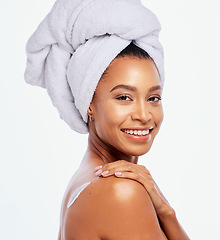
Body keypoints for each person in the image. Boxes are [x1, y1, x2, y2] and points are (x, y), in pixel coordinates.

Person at [24, 0, 190, 239]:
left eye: (153, 97)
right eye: (124, 97)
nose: (144, 115)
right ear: (88, 103)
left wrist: (166, 212)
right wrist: (166, 213)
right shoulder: (120, 190)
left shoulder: (88, 180)